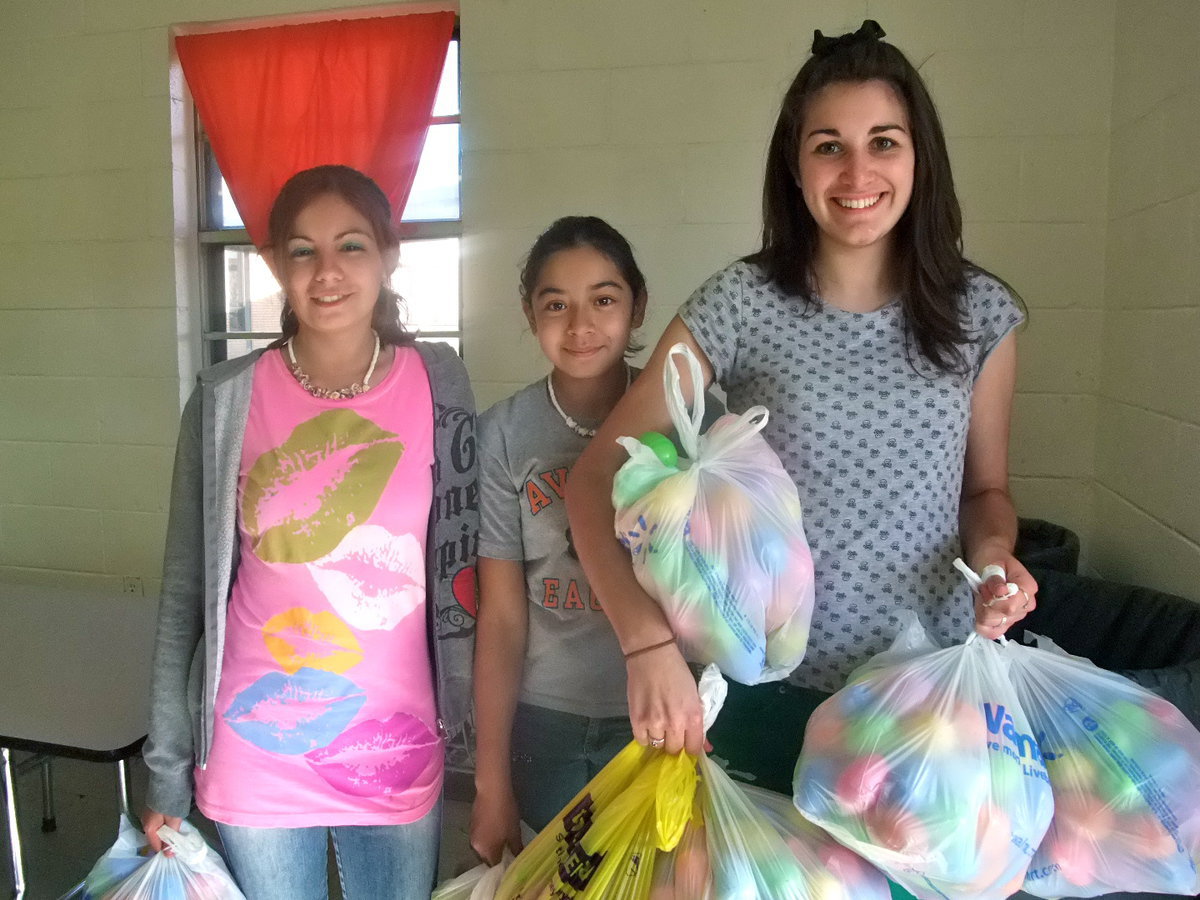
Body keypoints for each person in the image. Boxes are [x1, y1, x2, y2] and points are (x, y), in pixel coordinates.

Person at [565, 21, 1037, 789]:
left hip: (924, 699)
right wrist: (645, 646)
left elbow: (984, 494)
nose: (857, 171)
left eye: (884, 141)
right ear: (796, 163)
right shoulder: (740, 304)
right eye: (829, 145)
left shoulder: (981, 315)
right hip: (764, 693)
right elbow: (591, 483)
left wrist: (993, 563)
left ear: (920, 157)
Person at [139, 165, 478, 900]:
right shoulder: (225, 402)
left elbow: (465, 567)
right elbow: (182, 599)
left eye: (351, 247)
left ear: (389, 256)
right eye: (302, 251)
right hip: (256, 750)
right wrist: (166, 767)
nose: (327, 272)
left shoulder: (438, 382)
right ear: (273, 265)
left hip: (396, 744)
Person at [468, 217, 650, 864]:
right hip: (543, 724)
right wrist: (490, 782)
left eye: (604, 299)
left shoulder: (688, 419)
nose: (580, 325)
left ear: (637, 306)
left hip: (657, 718)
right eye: (556, 304)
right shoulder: (504, 435)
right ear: (529, 313)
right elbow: (503, 618)